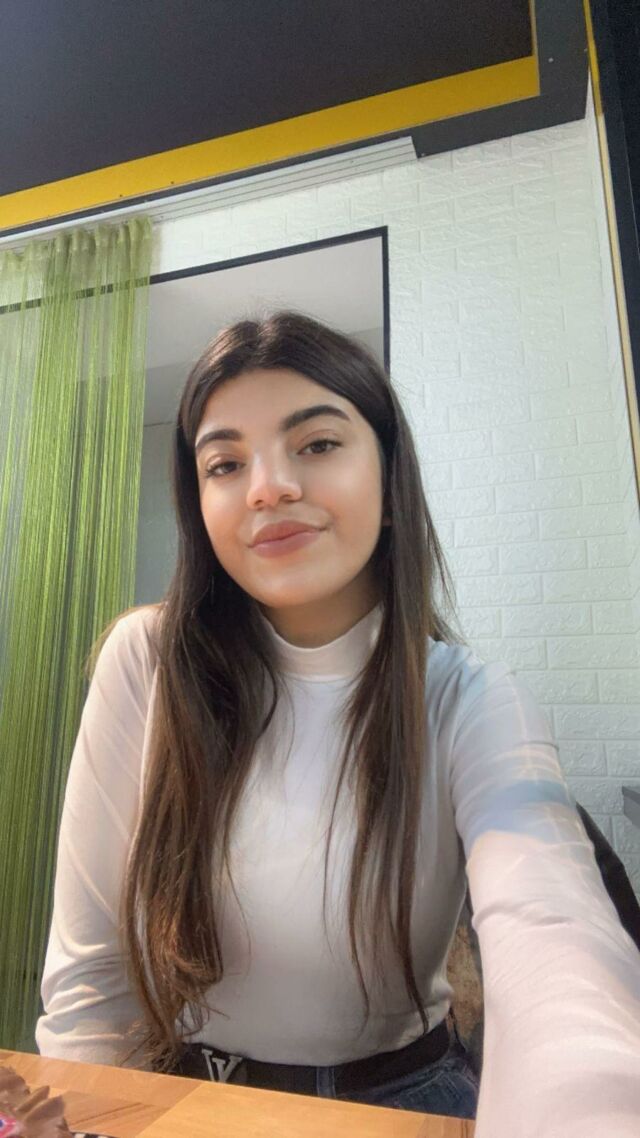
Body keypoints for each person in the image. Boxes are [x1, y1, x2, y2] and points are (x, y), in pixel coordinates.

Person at [37, 311, 640, 1134]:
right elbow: (91, 978)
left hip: (402, 1105)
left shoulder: (468, 699)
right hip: (185, 1099)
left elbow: (551, 923)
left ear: (389, 482)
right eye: (225, 463)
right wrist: (79, 1119)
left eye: (317, 444)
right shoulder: (147, 661)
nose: (268, 487)